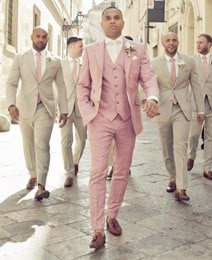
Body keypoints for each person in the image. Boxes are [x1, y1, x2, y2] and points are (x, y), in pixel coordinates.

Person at [77, 7, 159, 250]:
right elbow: (82, 86)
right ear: (102, 23)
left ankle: (113, 215)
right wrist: (89, 112)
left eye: (116, 18)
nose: (113, 21)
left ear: (123, 22)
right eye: (108, 18)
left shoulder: (137, 49)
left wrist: (152, 98)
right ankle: (97, 228)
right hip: (99, 118)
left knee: (122, 170)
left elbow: (149, 78)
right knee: (98, 172)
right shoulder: (91, 51)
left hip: (126, 118)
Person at [6, 26, 68, 200]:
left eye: (44, 37)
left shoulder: (55, 61)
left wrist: (63, 110)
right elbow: (11, 83)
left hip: (45, 108)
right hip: (24, 108)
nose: (41, 39)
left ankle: (41, 185)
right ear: (32, 37)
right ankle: (32, 174)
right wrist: (11, 104)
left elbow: (62, 87)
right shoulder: (21, 58)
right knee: (28, 144)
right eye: (38, 36)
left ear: (47, 39)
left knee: (42, 144)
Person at [151, 32, 204, 201]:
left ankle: (182, 187)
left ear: (178, 41)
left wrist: (201, 110)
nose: (171, 43)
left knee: (180, 146)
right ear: (162, 43)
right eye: (168, 40)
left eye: (174, 40)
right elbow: (149, 85)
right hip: (163, 108)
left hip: (182, 109)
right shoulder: (154, 63)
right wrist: (147, 101)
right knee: (167, 147)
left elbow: (196, 86)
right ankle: (173, 177)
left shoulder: (189, 61)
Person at [187, 33, 212, 180]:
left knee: (210, 137)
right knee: (193, 135)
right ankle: (191, 155)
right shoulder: (190, 60)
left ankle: (207, 168)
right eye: (197, 42)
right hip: (196, 104)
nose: (198, 44)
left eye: (201, 42)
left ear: (209, 44)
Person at [61, 37, 87, 187]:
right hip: (65, 108)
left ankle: (75, 161)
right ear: (70, 47)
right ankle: (69, 172)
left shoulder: (84, 65)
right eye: (80, 46)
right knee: (66, 141)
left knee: (82, 139)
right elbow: (55, 86)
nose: (82, 49)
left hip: (81, 109)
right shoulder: (60, 64)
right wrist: (58, 108)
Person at [107, 35, 134, 181]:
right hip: (111, 105)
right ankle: (114, 166)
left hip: (129, 106)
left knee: (127, 139)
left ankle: (125, 165)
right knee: (112, 138)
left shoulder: (136, 60)